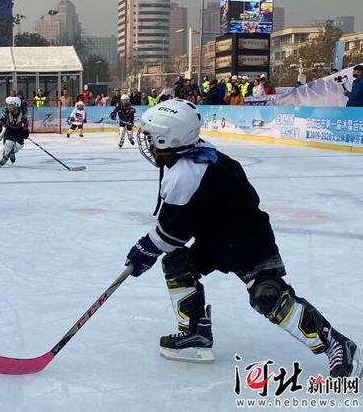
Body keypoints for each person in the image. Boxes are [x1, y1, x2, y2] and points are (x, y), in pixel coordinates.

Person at [125, 99, 362, 378]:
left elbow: (172, 233)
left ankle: (337, 344)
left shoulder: (186, 173)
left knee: (268, 296)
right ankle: (195, 332)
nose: (148, 143)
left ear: (168, 138)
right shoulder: (197, 155)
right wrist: (153, 248)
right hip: (216, 237)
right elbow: (180, 226)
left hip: (247, 240)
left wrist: (144, 251)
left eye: (152, 136)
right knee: (178, 264)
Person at [0, 96, 29, 167]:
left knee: (20, 146)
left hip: (19, 130)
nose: (8, 107)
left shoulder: (23, 112)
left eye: (11, 105)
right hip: (9, 129)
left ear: (16, 106)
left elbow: (26, 122)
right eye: (8, 105)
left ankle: (12, 152)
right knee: (8, 143)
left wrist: (25, 130)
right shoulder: (6, 111)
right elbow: (3, 119)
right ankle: (5, 155)